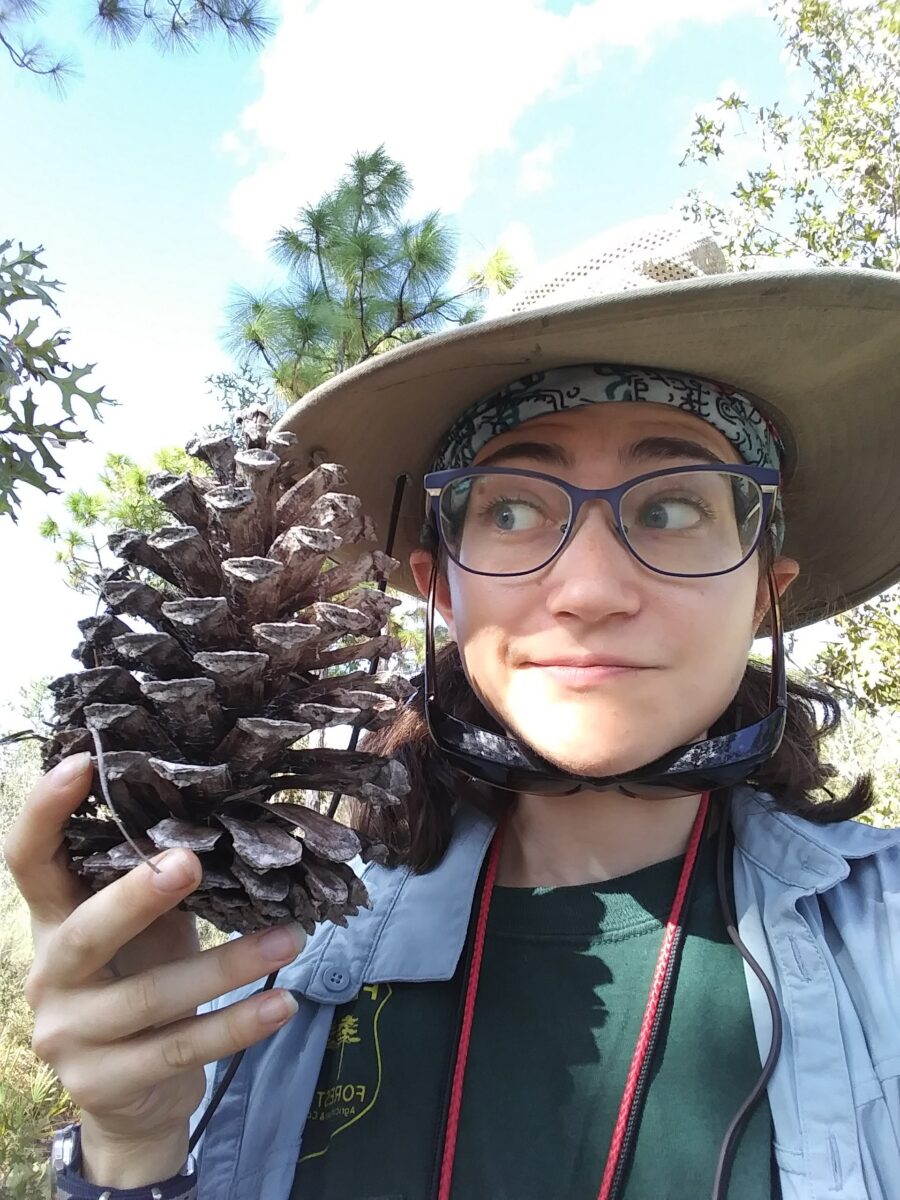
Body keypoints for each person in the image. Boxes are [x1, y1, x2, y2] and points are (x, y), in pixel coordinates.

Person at [6, 219, 900, 1200]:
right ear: (441, 589)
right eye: (514, 508)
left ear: (766, 590)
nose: (591, 588)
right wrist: (133, 1147)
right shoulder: (280, 971)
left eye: (673, 505)